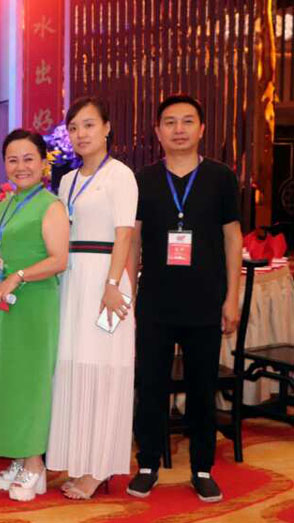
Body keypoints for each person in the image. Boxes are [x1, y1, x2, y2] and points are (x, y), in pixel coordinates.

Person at [127, 94, 242, 503]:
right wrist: (129, 295)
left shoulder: (221, 177)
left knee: (201, 388)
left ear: (201, 128)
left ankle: (202, 468)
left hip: (205, 301)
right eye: (170, 122)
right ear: (157, 132)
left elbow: (233, 239)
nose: (179, 129)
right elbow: (133, 241)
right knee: (150, 386)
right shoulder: (142, 180)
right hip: (155, 302)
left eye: (187, 121)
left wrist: (232, 298)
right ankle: (147, 465)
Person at [46, 96, 139, 499]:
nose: (80, 134)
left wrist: (113, 283)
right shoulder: (67, 180)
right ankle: (80, 459)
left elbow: (124, 235)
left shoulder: (120, 175)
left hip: (106, 281)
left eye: (88, 125)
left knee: (104, 369)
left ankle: (99, 468)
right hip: (72, 279)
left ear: (106, 128)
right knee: (73, 366)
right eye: (74, 128)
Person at [0, 129, 69, 501]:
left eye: (29, 158)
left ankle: (35, 463)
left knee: (31, 382)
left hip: (33, 304)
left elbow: (59, 260)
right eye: (13, 160)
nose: (21, 166)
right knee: (9, 382)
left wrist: (18, 276)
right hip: (3, 306)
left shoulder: (50, 205)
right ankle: (19, 457)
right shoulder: (6, 203)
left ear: (43, 162)